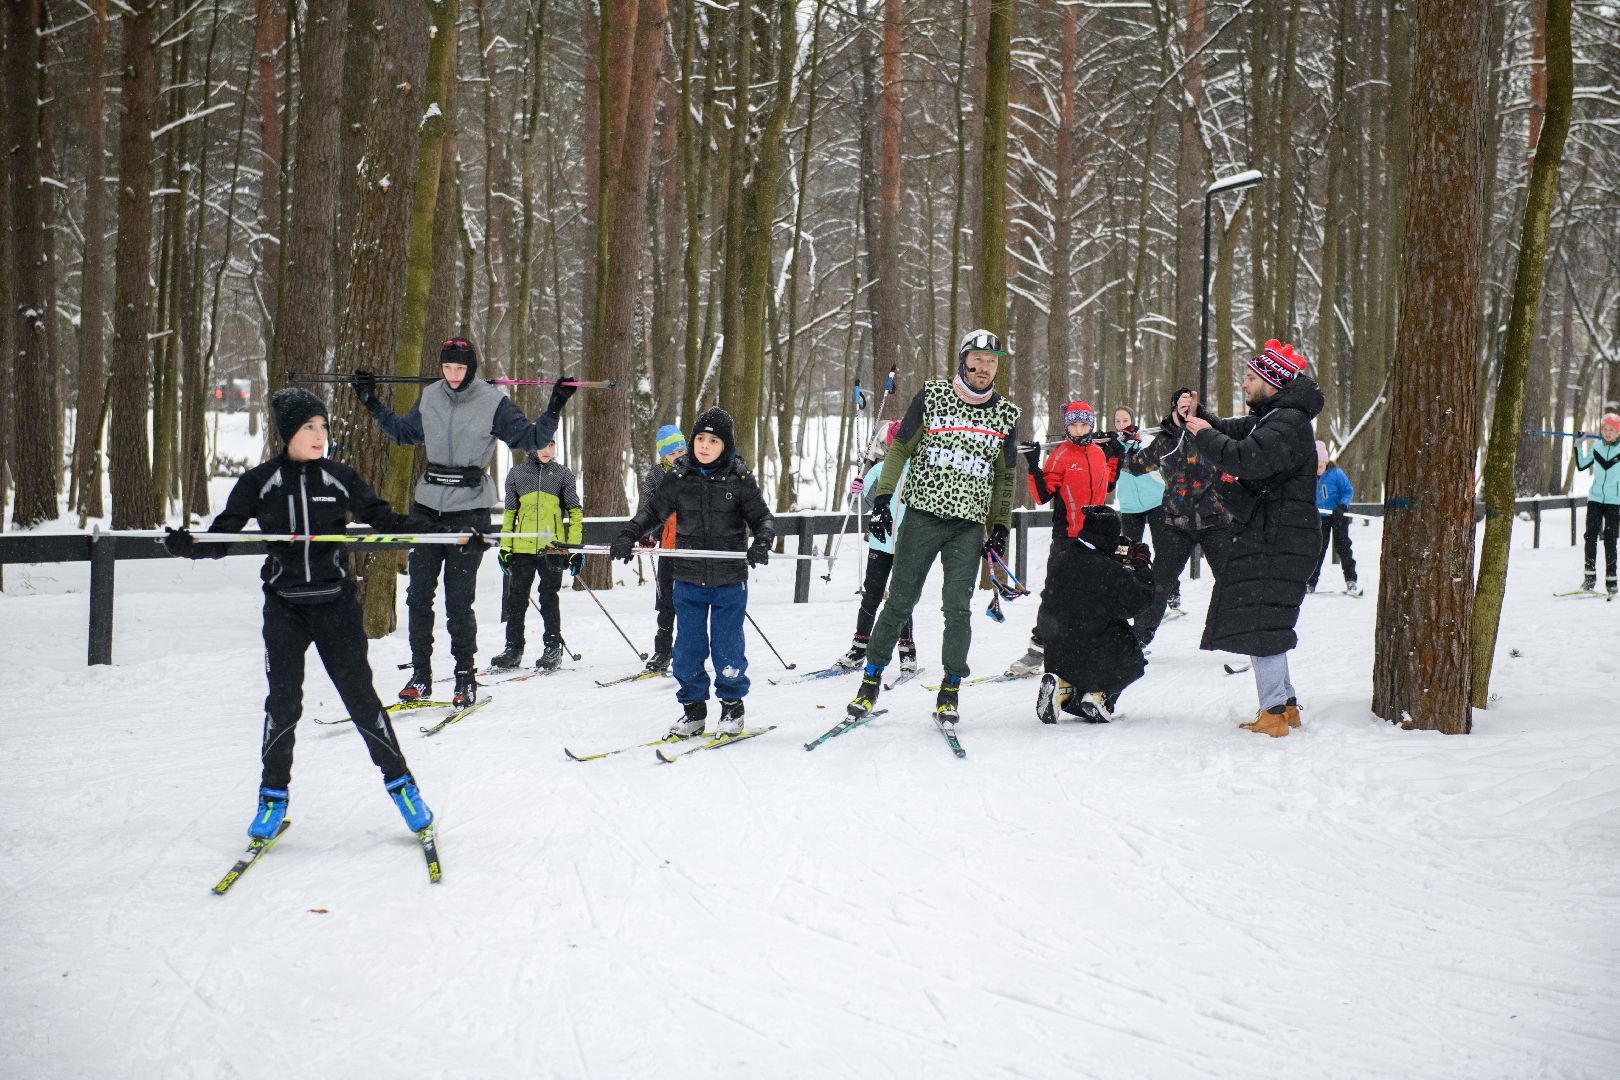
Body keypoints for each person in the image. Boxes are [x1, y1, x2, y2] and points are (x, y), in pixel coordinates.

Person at [162, 388, 452, 839]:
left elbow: (386, 520)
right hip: (285, 609)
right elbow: (223, 536)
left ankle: (404, 789)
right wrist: (190, 546)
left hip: (336, 604)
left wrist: (445, 533)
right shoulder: (260, 481)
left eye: (323, 426)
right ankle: (271, 801)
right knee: (283, 704)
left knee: (361, 701)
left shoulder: (339, 478)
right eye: (308, 427)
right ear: (287, 434)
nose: (319, 435)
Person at [352, 338, 576, 707]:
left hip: (469, 511)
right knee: (418, 597)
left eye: (460, 368)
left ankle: (464, 678)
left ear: (471, 368)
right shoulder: (430, 397)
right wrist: (371, 401)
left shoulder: (493, 403)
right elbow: (404, 434)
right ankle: (420, 676)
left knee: (459, 601)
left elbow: (531, 438)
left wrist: (555, 405)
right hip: (426, 507)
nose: (453, 375)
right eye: (447, 368)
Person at [845, 328, 1022, 727]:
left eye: (991, 362)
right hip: (922, 516)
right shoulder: (932, 395)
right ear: (963, 361)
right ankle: (871, 680)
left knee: (957, 609)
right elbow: (900, 449)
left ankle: (950, 689)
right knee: (899, 601)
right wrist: (884, 500)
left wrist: (1000, 527)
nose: (984, 368)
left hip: (967, 525)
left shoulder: (1006, 415)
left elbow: (1005, 478)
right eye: (977, 360)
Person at [1183, 339, 1323, 737]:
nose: (1243, 385)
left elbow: (1248, 458)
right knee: (1267, 618)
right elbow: (1233, 431)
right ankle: (1286, 705)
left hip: (1279, 534)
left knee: (1262, 621)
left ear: (1272, 382)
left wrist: (1204, 436)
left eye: (1249, 378)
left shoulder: (1287, 421)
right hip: (1275, 531)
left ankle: (1274, 712)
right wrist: (1200, 419)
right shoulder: (1275, 416)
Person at [611, 408, 775, 738]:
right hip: (686, 578)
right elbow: (652, 512)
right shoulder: (680, 477)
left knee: (727, 649)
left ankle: (732, 708)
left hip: (728, 578)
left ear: (725, 445)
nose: (704, 445)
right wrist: (629, 534)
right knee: (687, 650)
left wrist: (762, 541)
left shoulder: (739, 479)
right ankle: (693, 710)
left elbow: (763, 519)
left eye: (713, 440)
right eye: (699, 438)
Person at [1007, 400, 1113, 675]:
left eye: (1084, 424)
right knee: (1055, 595)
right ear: (1067, 427)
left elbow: (1109, 483)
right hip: (1068, 536)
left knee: (1095, 595)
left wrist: (1117, 454)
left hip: (1098, 538)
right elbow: (1042, 496)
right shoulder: (1060, 456)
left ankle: (1091, 646)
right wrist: (1033, 465)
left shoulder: (1099, 453)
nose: (1079, 430)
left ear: (1091, 424)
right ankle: (1037, 651)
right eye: (1074, 425)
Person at [1130, 387, 1233, 647]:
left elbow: (1236, 458)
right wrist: (1121, 445)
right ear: (1174, 406)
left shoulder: (1212, 435)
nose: (1187, 409)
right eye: (1182, 404)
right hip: (1176, 523)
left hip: (1215, 521)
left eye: (1192, 405)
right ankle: (1137, 639)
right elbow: (1135, 466)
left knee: (1231, 579)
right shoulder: (1164, 441)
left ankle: (1240, 635)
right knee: (1160, 583)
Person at [1034, 505, 1155, 724]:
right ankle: (1100, 695)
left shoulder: (1061, 557)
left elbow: (1087, 582)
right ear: (1109, 536)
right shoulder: (1111, 571)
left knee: (1084, 621)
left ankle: (1062, 688)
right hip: (1092, 653)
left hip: (1056, 651)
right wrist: (1142, 565)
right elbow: (1140, 601)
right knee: (1133, 657)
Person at [490, 438, 583, 671]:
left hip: (551, 548)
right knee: (517, 599)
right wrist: (505, 548)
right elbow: (510, 514)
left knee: (549, 597)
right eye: (542, 445)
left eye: (551, 445)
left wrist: (572, 549)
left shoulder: (563, 474)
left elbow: (575, 513)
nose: (546, 450)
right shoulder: (516, 474)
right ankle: (513, 648)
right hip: (522, 548)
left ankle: (552, 647)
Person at [835, 419, 918, 671]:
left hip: (907, 544)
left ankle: (907, 650)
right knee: (871, 595)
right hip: (879, 543)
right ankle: (859, 648)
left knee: (900, 599)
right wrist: (857, 489)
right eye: (892, 443)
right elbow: (859, 503)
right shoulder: (879, 470)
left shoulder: (920, 470)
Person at [634, 424, 688, 674]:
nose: (678, 455)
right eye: (672, 452)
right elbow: (649, 508)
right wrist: (647, 534)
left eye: (680, 449)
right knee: (666, 602)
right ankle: (662, 651)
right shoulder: (655, 475)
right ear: (663, 454)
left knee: (690, 602)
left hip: (693, 548)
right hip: (668, 547)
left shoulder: (696, 471)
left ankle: (687, 650)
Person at [1575, 413, 1620, 595]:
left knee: (1610, 540)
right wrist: (1579, 445)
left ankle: (1611, 581)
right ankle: (1589, 577)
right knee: (1590, 536)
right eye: (1605, 429)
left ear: (1618, 432)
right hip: (1595, 499)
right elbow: (1581, 465)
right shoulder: (1596, 447)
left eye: (1612, 430)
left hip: (1614, 502)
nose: (1607, 433)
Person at [1111, 406, 1166, 550]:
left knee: (1163, 548)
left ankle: (1160, 573)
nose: (1121, 424)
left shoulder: (1147, 440)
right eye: (1118, 421)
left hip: (1156, 501)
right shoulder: (1113, 446)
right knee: (1126, 551)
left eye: (1125, 420)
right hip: (1129, 505)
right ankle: (1129, 573)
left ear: (1133, 420)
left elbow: (1164, 466)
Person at [1308, 440, 1359, 595]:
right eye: (1315, 466)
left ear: (1326, 462)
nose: (1318, 470)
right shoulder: (1309, 476)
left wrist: (1342, 506)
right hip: (1320, 518)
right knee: (1318, 549)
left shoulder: (1336, 474)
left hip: (1338, 515)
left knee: (1342, 546)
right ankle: (1310, 582)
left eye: (1321, 466)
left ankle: (1351, 580)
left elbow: (1348, 490)